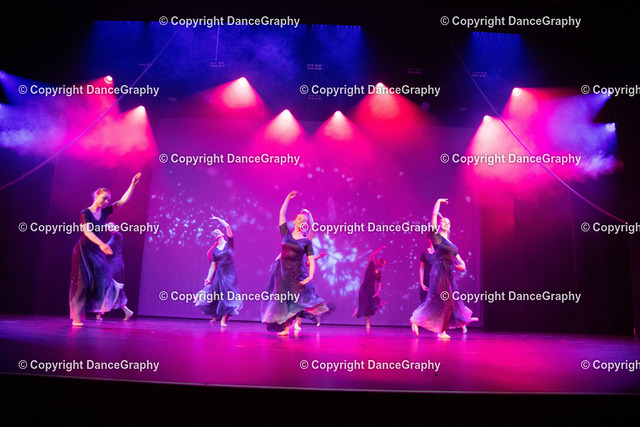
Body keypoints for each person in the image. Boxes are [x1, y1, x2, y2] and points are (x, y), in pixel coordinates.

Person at [69, 173, 140, 326]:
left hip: (96, 252)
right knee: (82, 283)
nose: (106, 201)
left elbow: (122, 201)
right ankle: (76, 317)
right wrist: (102, 244)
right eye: (104, 198)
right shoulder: (85, 213)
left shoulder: (105, 211)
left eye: (108, 199)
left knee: (106, 280)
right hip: (83, 251)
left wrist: (132, 185)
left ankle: (118, 308)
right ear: (96, 196)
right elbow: (87, 232)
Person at [262, 191, 333, 335]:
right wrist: (287, 199)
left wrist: (311, 275)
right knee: (282, 300)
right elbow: (281, 215)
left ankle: (298, 322)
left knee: (297, 300)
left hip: (297, 273)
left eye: (304, 220)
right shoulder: (286, 234)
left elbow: (311, 259)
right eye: (299, 218)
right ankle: (285, 328)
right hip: (282, 272)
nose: (301, 221)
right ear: (294, 221)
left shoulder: (306, 241)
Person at [410, 198, 477, 339]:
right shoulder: (437, 238)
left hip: (448, 274)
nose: (447, 223)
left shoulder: (450, 243)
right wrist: (437, 202)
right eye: (444, 221)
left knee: (446, 303)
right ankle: (441, 331)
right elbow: (434, 216)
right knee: (448, 303)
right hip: (439, 272)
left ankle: (422, 323)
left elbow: (459, 258)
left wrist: (463, 264)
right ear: (439, 225)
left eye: (449, 222)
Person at [195, 216, 242, 327]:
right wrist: (208, 278)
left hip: (230, 274)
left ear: (221, 233)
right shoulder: (214, 251)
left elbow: (228, 226)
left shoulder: (229, 243)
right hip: (219, 274)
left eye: (217, 231)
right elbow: (212, 266)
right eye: (214, 233)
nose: (216, 232)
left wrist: (217, 219)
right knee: (215, 295)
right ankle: (215, 315)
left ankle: (223, 320)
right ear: (214, 237)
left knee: (227, 296)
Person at [94, 222, 132, 321]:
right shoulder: (112, 238)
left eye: (111, 226)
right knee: (114, 288)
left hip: (116, 264)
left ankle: (99, 312)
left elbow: (115, 233)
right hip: (111, 264)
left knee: (109, 286)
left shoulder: (118, 236)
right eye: (108, 227)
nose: (109, 228)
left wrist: (110, 227)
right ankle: (126, 310)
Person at [353, 245, 387, 329]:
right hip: (364, 289)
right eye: (382, 263)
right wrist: (380, 248)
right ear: (378, 262)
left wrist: (378, 291)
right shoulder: (371, 266)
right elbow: (372, 254)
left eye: (384, 264)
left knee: (372, 307)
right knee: (365, 306)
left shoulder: (379, 273)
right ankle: (366, 322)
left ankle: (366, 321)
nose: (383, 265)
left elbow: (379, 283)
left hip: (372, 291)